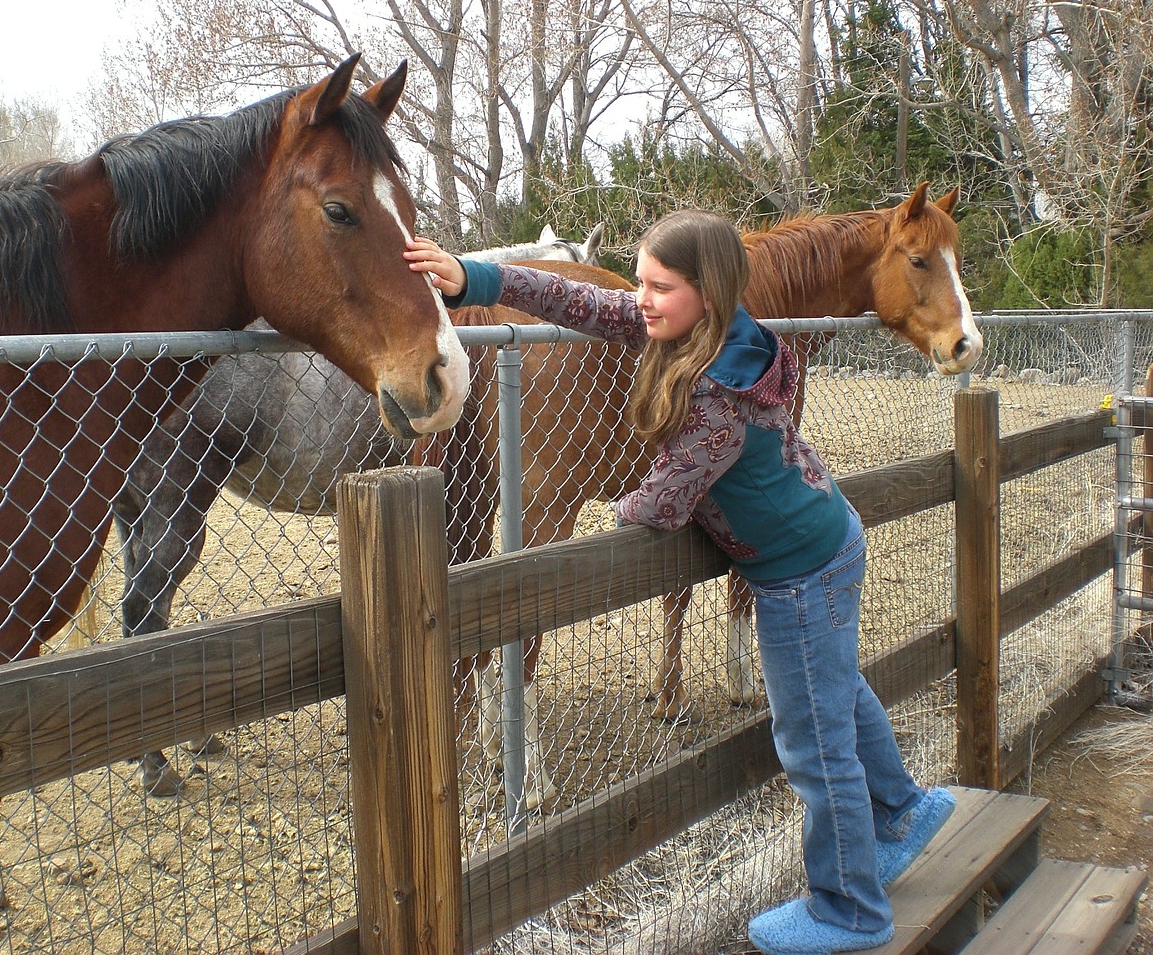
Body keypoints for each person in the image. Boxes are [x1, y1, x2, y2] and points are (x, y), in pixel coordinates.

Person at [405, 210, 956, 955]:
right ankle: (903, 811)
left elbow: (664, 501)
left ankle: (850, 907)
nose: (640, 298)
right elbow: (575, 302)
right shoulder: (696, 330)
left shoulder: (720, 395)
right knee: (844, 698)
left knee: (812, 741)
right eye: (639, 281)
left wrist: (617, 502)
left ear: (710, 291)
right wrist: (476, 277)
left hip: (800, 577)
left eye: (659, 286)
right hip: (825, 544)